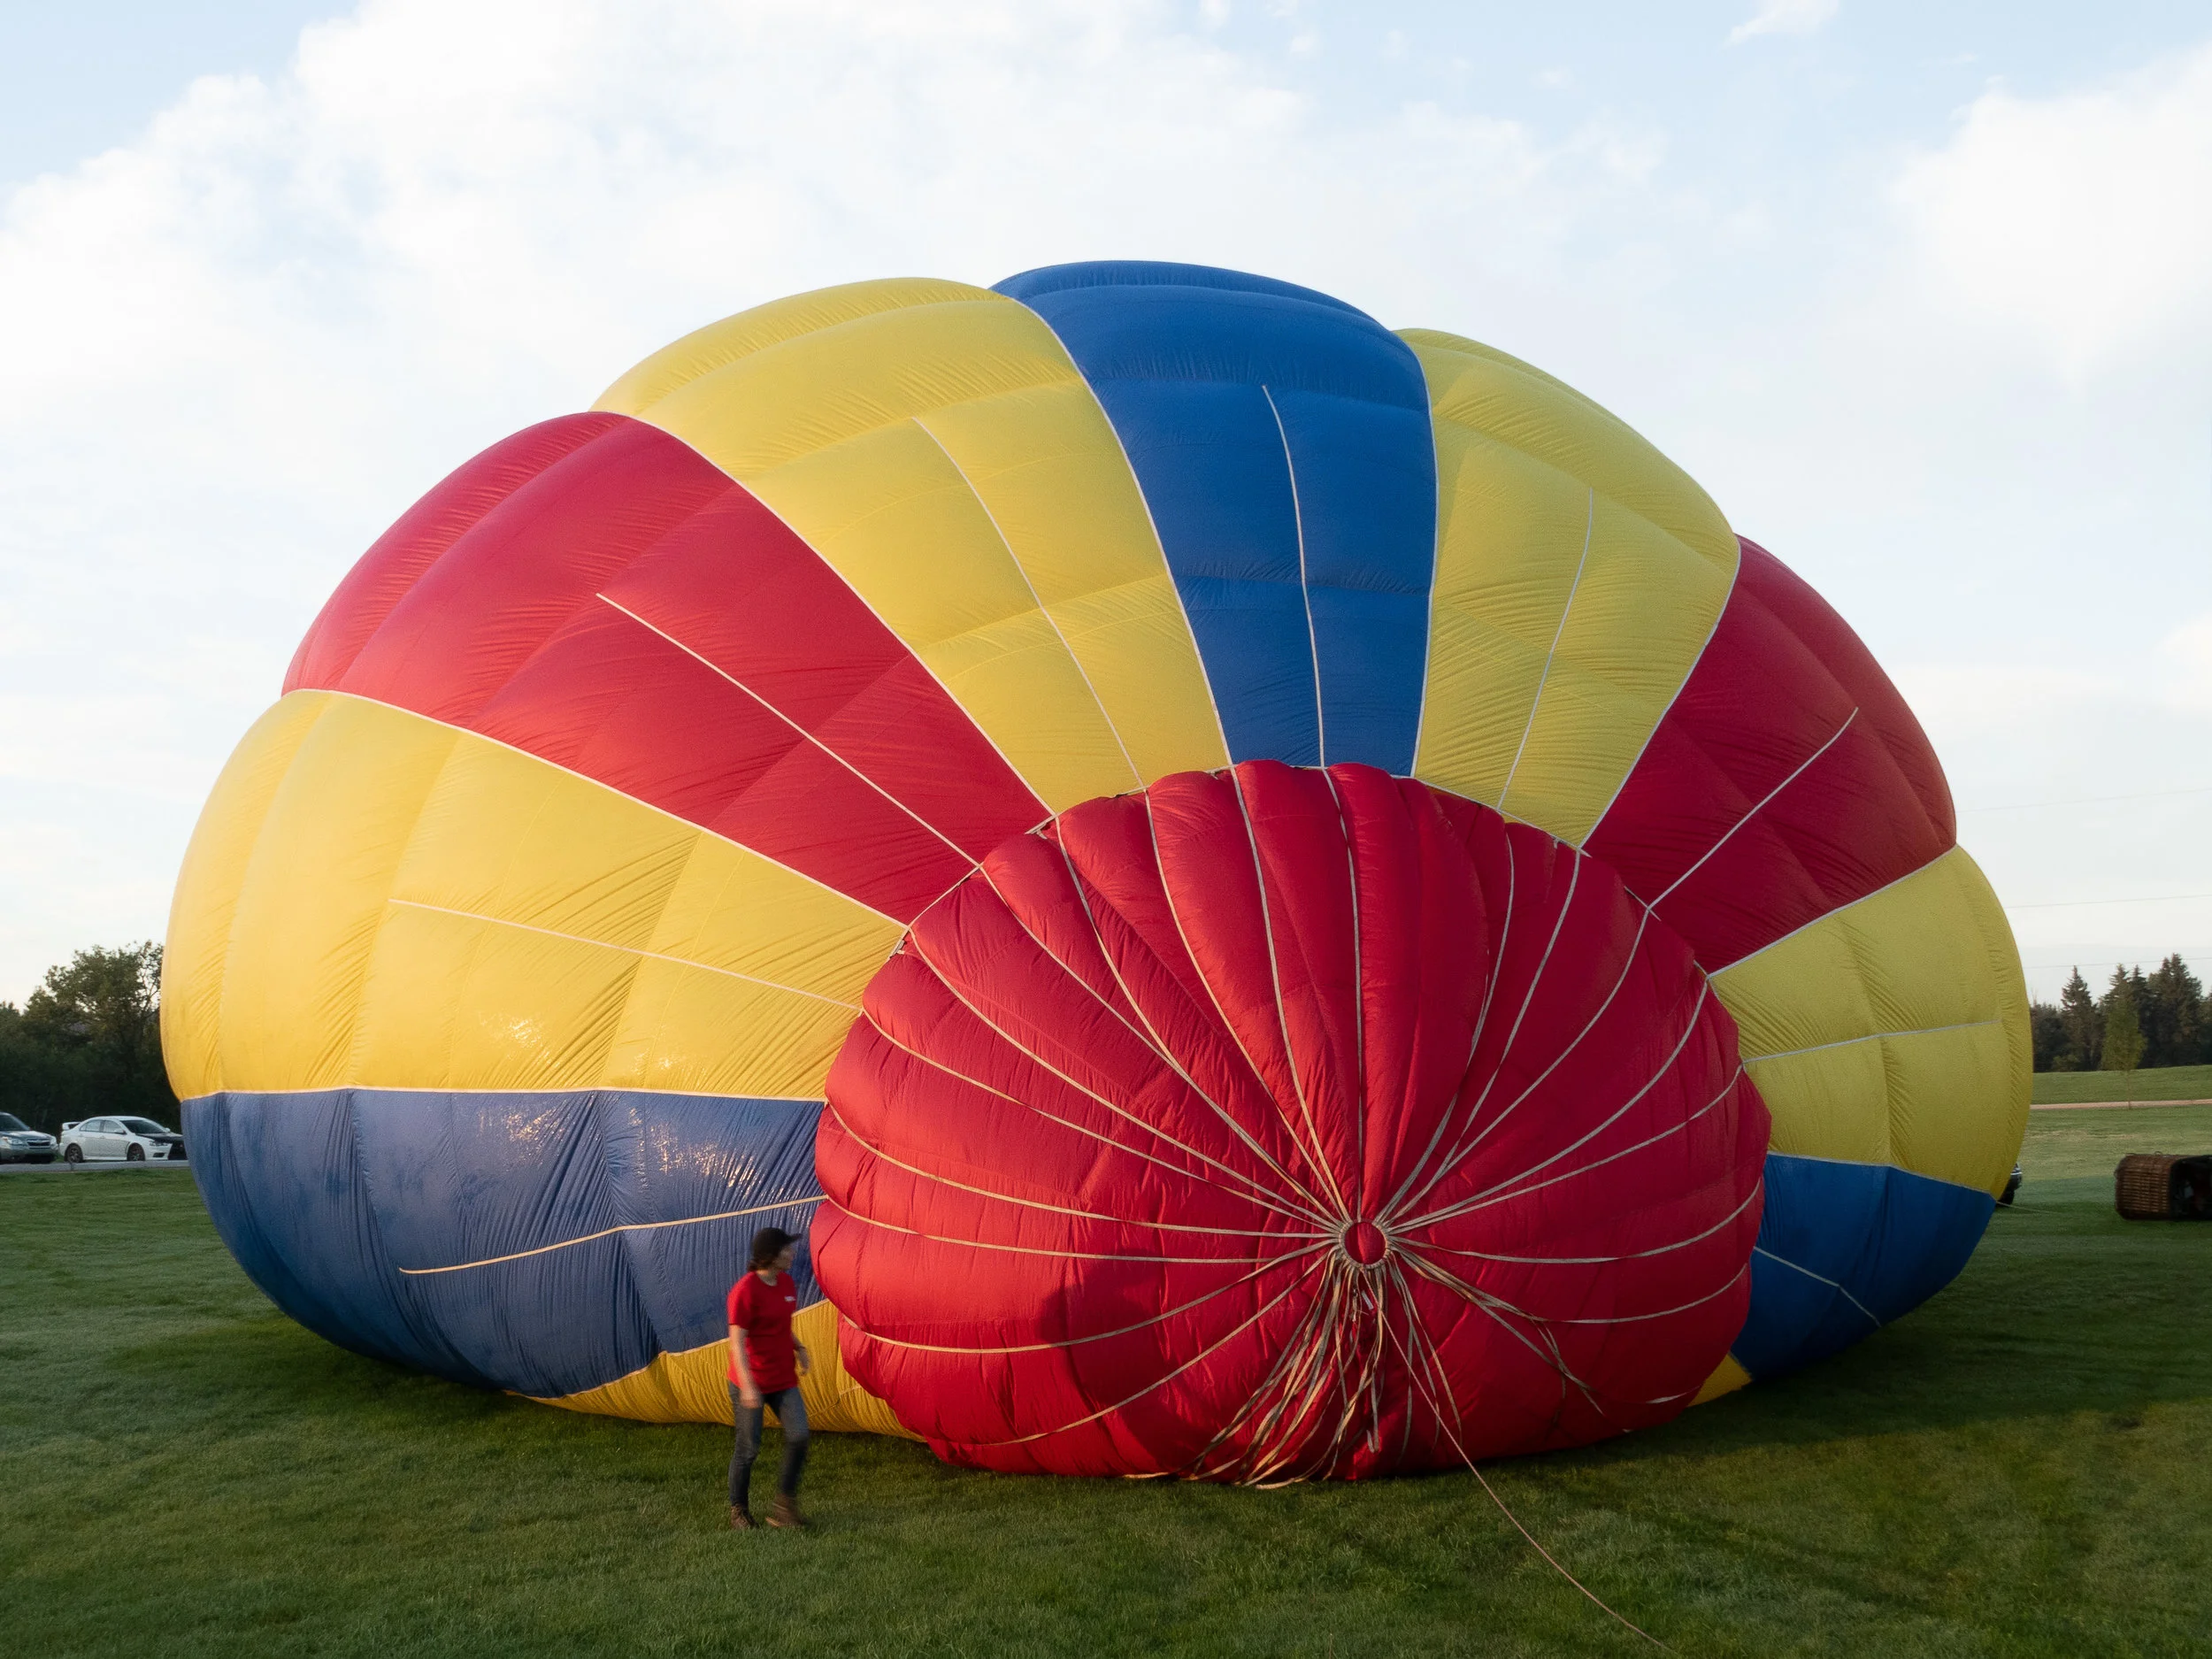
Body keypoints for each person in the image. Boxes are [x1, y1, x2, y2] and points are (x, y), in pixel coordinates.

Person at [727, 1225, 811, 1530]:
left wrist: (799, 1347)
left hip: (782, 1379)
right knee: (748, 1448)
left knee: (799, 1435)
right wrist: (748, 1386)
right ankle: (738, 1510)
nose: (792, 1253)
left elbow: (780, 1324)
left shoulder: (787, 1283)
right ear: (771, 1256)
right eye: (786, 1249)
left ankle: (783, 1508)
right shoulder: (745, 1291)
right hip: (751, 1381)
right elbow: (737, 1341)